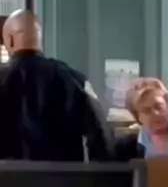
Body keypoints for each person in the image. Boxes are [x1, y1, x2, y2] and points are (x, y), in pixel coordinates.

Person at [0, 9, 113, 161]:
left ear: (10, 39)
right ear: (39, 39)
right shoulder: (73, 79)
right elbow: (101, 135)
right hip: (61, 174)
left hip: (5, 174)